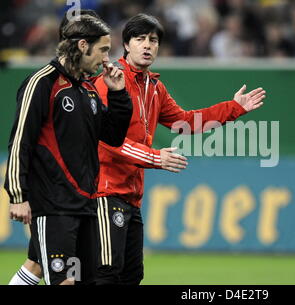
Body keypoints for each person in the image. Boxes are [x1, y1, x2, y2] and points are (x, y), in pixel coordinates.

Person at [92, 13, 265, 284]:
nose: (147, 45)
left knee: (132, 276)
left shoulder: (155, 88)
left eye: (153, 40)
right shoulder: (110, 81)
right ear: (126, 45)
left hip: (131, 195)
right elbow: (105, 140)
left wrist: (235, 108)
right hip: (104, 191)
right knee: (106, 274)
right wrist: (154, 157)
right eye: (140, 39)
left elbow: (185, 122)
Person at [5, 14, 132, 285]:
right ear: (83, 46)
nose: (107, 58)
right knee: (64, 281)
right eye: (103, 50)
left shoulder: (87, 90)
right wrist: (17, 194)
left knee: (46, 268)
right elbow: (20, 141)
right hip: (53, 204)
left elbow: (113, 136)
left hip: (85, 203)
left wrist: (119, 94)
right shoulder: (42, 83)